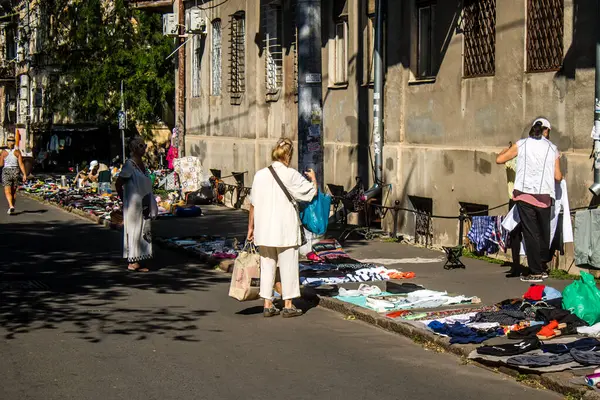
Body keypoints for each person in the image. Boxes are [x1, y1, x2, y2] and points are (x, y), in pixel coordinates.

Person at [247, 138, 317, 318]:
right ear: (288, 155)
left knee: (267, 265)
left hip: (264, 229)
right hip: (285, 229)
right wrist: (314, 180)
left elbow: (253, 204)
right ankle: (288, 304)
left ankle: (267, 304)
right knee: (288, 266)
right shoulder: (290, 174)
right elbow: (309, 193)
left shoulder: (259, 175)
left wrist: (251, 227)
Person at [496, 118, 562, 283]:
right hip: (545, 196)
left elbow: (500, 159)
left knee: (531, 234)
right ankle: (542, 266)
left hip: (525, 195)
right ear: (546, 131)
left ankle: (535, 271)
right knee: (543, 233)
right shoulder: (552, 149)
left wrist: (507, 149)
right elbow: (558, 176)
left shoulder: (522, 144)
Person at [116, 136, 157, 272]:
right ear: (134, 148)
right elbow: (118, 183)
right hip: (133, 205)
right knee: (134, 231)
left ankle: (140, 259)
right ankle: (133, 261)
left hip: (143, 203)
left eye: (144, 146)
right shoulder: (129, 164)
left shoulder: (141, 164)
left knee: (144, 230)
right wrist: (125, 200)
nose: (143, 149)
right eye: (140, 146)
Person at [0, 134, 27, 214]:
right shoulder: (17, 152)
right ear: (14, 143)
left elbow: (1, 164)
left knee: (7, 191)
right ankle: (11, 206)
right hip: (16, 171)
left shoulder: (3, 152)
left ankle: (11, 206)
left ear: (7, 142)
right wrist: (24, 174)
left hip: (6, 171)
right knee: (14, 191)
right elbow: (21, 164)